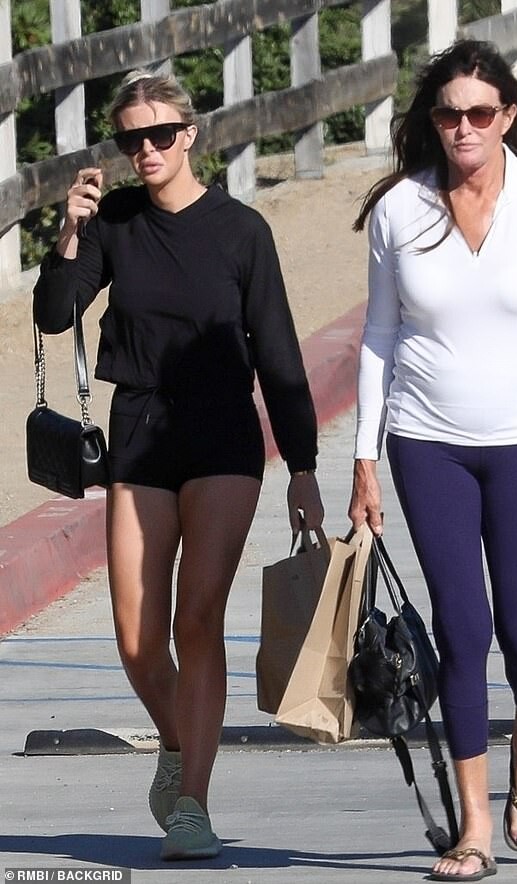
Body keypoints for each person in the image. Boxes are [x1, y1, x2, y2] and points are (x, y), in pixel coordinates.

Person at [33, 70, 324, 861]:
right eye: (131, 138)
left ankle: (192, 802)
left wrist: (302, 465)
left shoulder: (241, 230)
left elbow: (278, 351)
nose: (147, 149)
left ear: (189, 135)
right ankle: (176, 741)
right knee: (137, 639)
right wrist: (68, 233)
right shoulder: (115, 222)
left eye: (160, 133)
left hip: (223, 433)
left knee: (196, 619)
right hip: (139, 430)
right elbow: (55, 314)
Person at [348, 40, 517, 882]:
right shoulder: (400, 210)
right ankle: (473, 827)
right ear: (432, 121)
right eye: (448, 114)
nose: (463, 127)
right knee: (462, 631)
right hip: (427, 444)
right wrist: (364, 455)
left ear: (508, 116)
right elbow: (379, 335)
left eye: (479, 113)